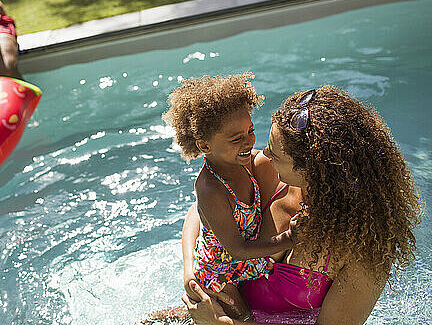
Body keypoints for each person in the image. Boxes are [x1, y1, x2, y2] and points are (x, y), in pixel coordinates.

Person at [180, 86, 422, 325]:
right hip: (210, 303)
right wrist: (191, 269)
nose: (262, 153)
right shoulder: (267, 170)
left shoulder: (364, 248)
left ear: (313, 169)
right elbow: (202, 210)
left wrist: (219, 323)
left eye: (275, 153)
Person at [162, 74, 296, 320]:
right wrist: (291, 238)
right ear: (204, 146)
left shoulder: (249, 162)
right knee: (245, 319)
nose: (249, 141)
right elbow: (236, 249)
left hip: (246, 261)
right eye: (237, 138)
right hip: (220, 274)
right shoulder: (211, 188)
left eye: (251, 130)